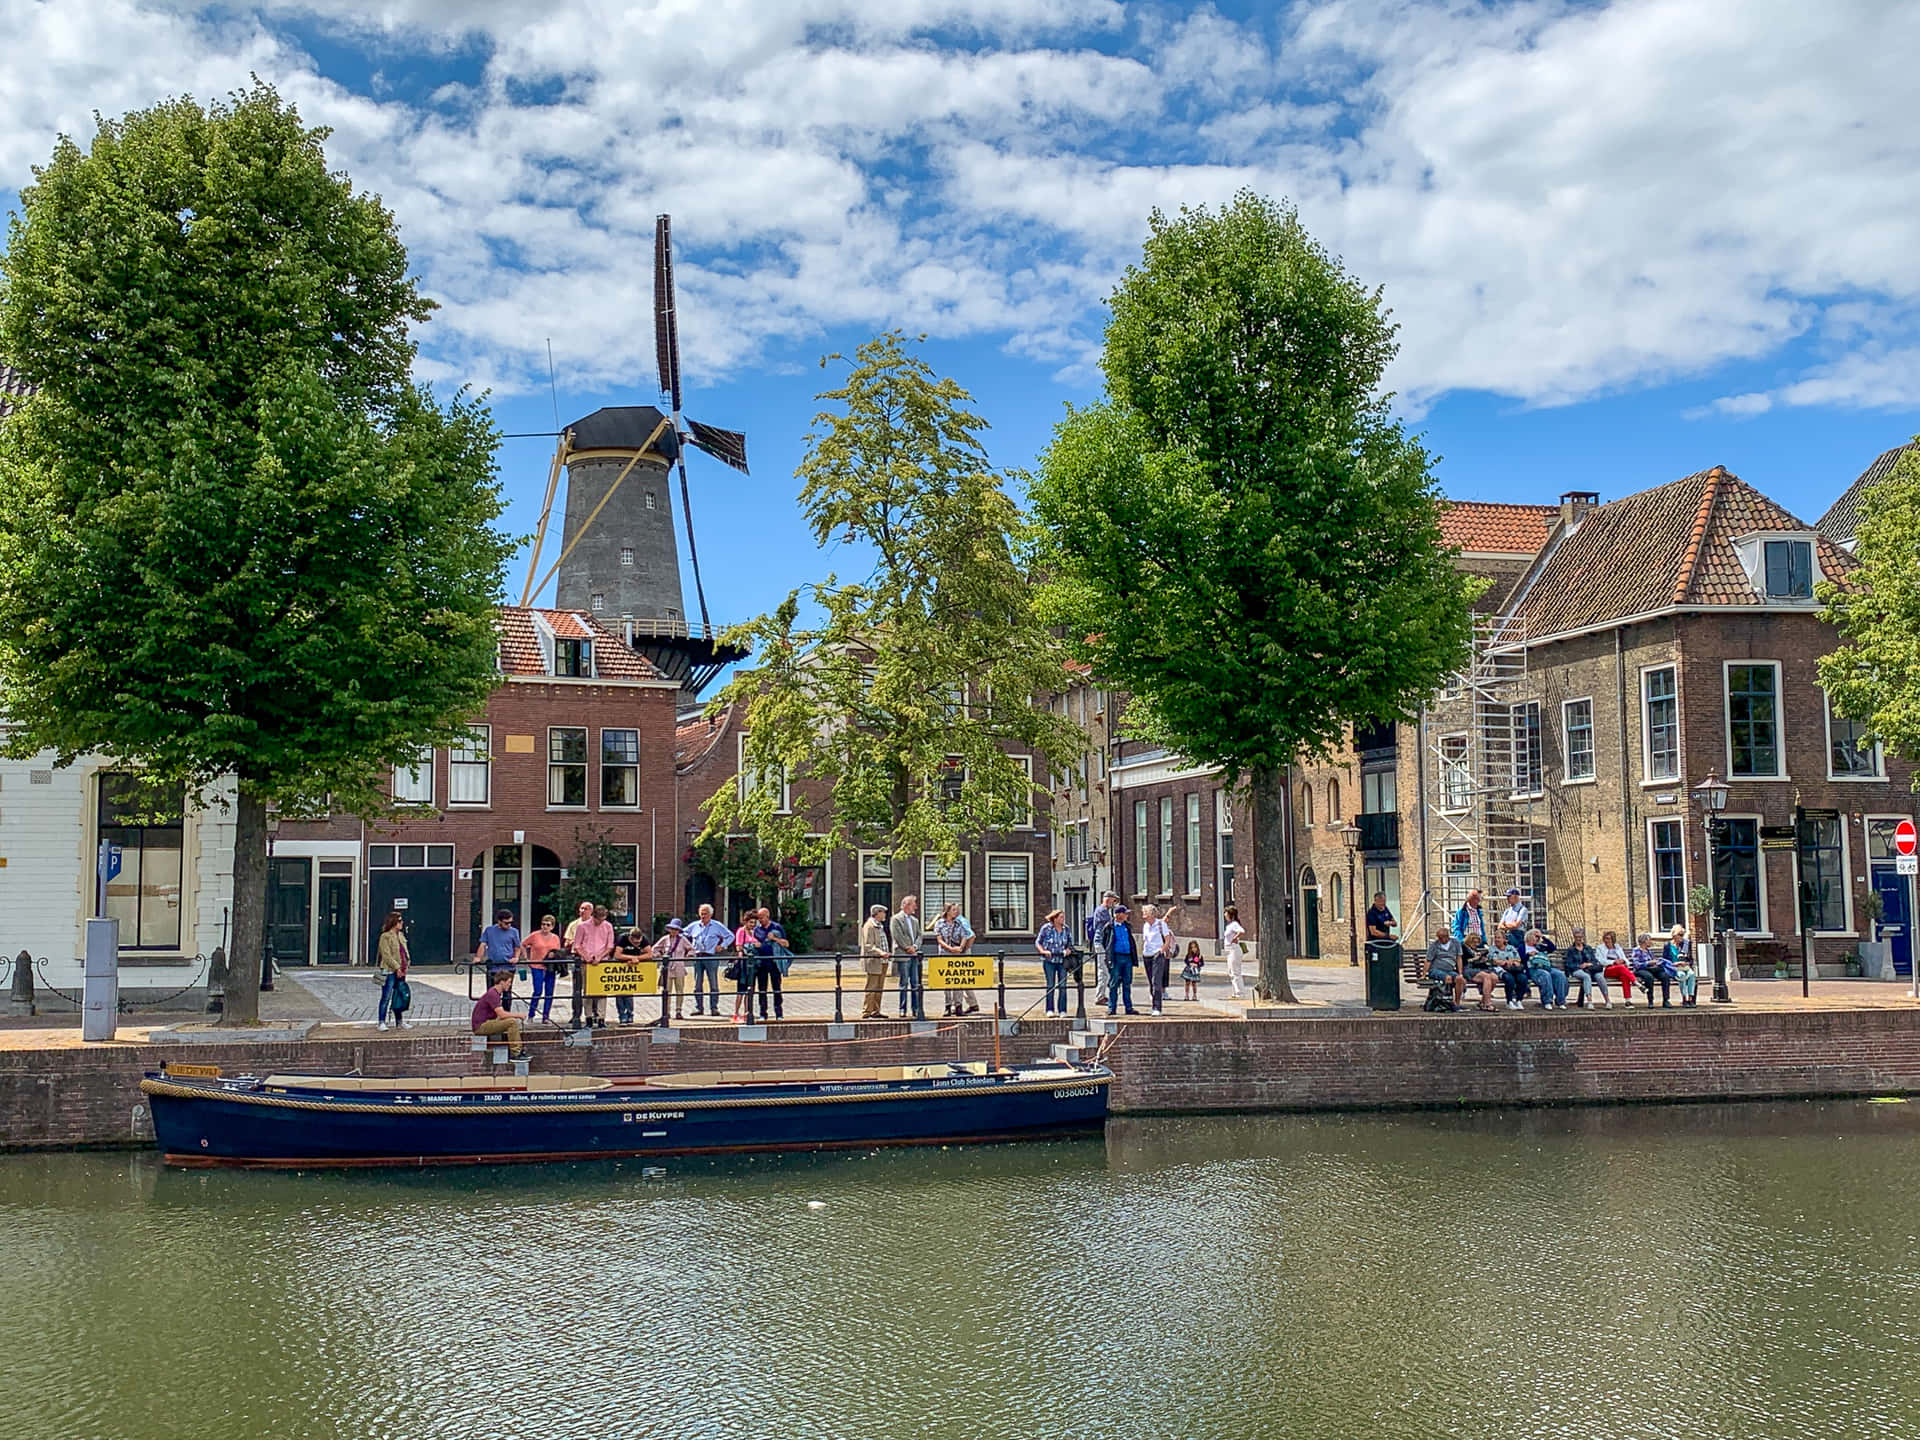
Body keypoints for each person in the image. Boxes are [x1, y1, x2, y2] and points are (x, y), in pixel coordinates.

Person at [572, 903, 617, 1027]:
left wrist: (600, 957)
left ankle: (602, 1017)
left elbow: (610, 945)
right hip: (587, 961)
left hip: (602, 961)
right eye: (598, 919)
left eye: (602, 919)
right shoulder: (582, 926)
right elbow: (577, 945)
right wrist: (586, 956)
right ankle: (589, 1017)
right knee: (588, 990)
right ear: (594, 916)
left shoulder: (608, 926)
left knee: (602, 990)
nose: (600, 922)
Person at [684, 903, 732, 1018]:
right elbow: (682, 933)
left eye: (705, 914)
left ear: (711, 915)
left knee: (713, 983)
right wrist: (687, 947)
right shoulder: (694, 925)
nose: (703, 916)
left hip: (711, 956)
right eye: (701, 914)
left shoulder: (717, 925)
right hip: (698, 956)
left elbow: (730, 936)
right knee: (697, 983)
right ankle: (698, 1007)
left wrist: (722, 946)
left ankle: (714, 1008)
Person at [471, 970, 527, 1060]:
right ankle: (516, 1052)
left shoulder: (494, 993)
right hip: (481, 1026)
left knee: (510, 1022)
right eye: (509, 982)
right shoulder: (493, 994)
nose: (510, 985)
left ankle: (517, 1050)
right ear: (502, 982)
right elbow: (502, 1014)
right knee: (511, 1022)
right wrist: (518, 1015)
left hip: (486, 1023)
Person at [935, 904, 979, 1016]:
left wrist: (961, 948)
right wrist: (949, 948)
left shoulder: (960, 922)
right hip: (945, 954)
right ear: (947, 911)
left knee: (958, 981)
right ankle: (948, 1006)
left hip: (958, 954)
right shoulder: (940, 923)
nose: (956, 912)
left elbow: (966, 935)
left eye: (957, 910)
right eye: (954, 910)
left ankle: (958, 1006)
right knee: (947, 981)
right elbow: (939, 939)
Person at [520, 914, 563, 1023]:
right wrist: (527, 958)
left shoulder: (555, 938)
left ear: (552, 926)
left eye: (548, 925)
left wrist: (554, 955)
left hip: (550, 967)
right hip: (537, 966)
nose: (545, 927)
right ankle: (531, 1015)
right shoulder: (535, 935)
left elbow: (557, 951)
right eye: (543, 924)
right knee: (537, 991)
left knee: (549, 992)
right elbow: (523, 944)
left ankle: (546, 1016)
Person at [891, 894, 925, 1020]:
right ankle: (902, 1009)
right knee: (904, 982)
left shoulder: (915, 921)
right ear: (906, 905)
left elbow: (919, 936)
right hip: (903, 955)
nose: (915, 906)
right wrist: (907, 948)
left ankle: (916, 1009)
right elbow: (898, 936)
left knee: (915, 983)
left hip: (914, 955)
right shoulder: (896, 919)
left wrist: (915, 947)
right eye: (913, 904)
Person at [752, 906, 790, 1021]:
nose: (760, 920)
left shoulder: (777, 927)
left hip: (774, 962)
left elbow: (786, 944)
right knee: (762, 988)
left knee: (776, 987)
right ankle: (763, 1013)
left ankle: (779, 1013)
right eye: (758, 918)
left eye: (762, 918)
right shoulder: (756, 929)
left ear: (767, 917)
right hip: (761, 962)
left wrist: (775, 939)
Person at [611, 925, 654, 1025]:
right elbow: (617, 955)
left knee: (629, 992)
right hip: (620, 967)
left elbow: (649, 954)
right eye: (634, 942)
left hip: (632, 967)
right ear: (630, 938)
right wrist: (630, 958)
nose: (637, 944)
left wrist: (637, 958)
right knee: (619, 992)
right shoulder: (623, 938)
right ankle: (622, 1015)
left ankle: (630, 1015)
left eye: (639, 942)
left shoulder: (644, 939)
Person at [375, 910, 410, 1030]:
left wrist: (406, 965)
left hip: (401, 971)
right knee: (386, 996)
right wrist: (397, 968)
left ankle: (399, 1021)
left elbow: (404, 952)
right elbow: (386, 955)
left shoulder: (400, 936)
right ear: (394, 922)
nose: (402, 923)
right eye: (399, 921)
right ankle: (381, 1022)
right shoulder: (385, 937)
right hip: (389, 971)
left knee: (398, 996)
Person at [1036, 909, 1072, 1018]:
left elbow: (1070, 943)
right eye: (1061, 917)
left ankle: (1062, 1010)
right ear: (1055, 918)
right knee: (1050, 985)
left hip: (1062, 961)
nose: (1063, 919)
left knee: (1063, 985)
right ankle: (1049, 1009)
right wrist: (1043, 951)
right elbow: (1038, 942)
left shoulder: (1066, 929)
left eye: (1063, 917)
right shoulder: (1046, 929)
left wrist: (1068, 950)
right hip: (1049, 961)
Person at [656, 918, 693, 1022]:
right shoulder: (664, 939)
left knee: (679, 990)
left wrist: (687, 956)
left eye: (676, 929)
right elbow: (655, 949)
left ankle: (678, 1011)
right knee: (666, 991)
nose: (674, 931)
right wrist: (661, 955)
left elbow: (691, 949)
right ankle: (666, 1012)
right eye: (672, 929)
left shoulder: (683, 940)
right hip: (668, 968)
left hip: (679, 968)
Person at [859, 904, 892, 1020]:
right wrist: (880, 952)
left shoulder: (880, 926)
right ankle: (866, 1011)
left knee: (879, 987)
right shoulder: (870, 926)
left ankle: (876, 1010)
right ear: (877, 913)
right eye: (883, 912)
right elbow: (868, 945)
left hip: (883, 961)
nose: (885, 915)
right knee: (871, 986)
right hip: (874, 961)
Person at [1140, 903, 1173, 1016]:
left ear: (1151, 914)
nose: (1143, 915)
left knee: (1156, 981)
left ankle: (1157, 1007)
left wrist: (1161, 950)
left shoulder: (1161, 924)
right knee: (1150, 981)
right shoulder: (1145, 925)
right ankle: (1153, 1003)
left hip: (1157, 954)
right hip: (1147, 955)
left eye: (1145, 912)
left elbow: (1167, 939)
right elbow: (1145, 940)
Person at [1106, 903, 1139, 1017]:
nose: (1126, 916)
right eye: (1125, 913)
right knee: (1114, 983)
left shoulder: (1127, 926)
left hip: (1127, 957)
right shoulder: (1109, 927)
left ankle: (1128, 1007)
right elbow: (1104, 941)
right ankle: (1112, 1007)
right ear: (1118, 914)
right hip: (1116, 957)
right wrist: (1108, 956)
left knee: (1127, 983)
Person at [1563, 927, 1609, 1008]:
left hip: (1590, 969)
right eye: (1577, 937)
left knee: (1600, 977)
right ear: (1574, 938)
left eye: (1580, 937)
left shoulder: (1588, 948)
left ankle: (1607, 1000)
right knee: (1586, 977)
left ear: (1583, 937)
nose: (1579, 939)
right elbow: (1569, 964)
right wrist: (1580, 966)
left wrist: (1588, 964)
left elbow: (1594, 961)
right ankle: (1590, 1001)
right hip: (1577, 970)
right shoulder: (1571, 950)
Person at [1424, 926, 1465, 1009]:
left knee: (1460, 979)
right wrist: (1424, 974)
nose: (1439, 939)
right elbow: (1428, 960)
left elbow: (1459, 958)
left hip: (1449, 970)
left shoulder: (1455, 943)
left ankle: (1457, 1003)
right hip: (1436, 970)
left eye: (1441, 937)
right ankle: (1447, 1002)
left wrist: (1460, 973)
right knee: (1448, 978)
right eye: (1438, 937)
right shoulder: (1434, 945)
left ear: (1447, 937)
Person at [1526, 928, 1568, 1009]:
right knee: (1545, 975)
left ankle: (1561, 1001)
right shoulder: (1523, 947)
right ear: (1529, 937)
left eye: (1538, 937)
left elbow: (1552, 948)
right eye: (1536, 936)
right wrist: (1528, 955)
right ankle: (1547, 1001)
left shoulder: (1540, 947)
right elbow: (1521, 959)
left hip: (1546, 967)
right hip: (1533, 969)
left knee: (1560, 975)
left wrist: (1543, 937)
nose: (1537, 939)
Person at [1090, 891, 1118, 1007]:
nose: (1114, 903)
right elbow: (1110, 924)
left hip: (1103, 943)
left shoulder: (1104, 910)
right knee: (1103, 970)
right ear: (1108, 899)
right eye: (1113, 900)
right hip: (1101, 943)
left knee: (1104, 969)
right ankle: (1100, 996)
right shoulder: (1102, 911)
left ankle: (1101, 994)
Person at [1489, 925, 1528, 1009]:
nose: (1496, 940)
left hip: (1514, 969)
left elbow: (1518, 959)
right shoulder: (1492, 948)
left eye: (1499, 938)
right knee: (1509, 979)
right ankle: (1509, 1001)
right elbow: (1494, 960)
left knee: (1523, 978)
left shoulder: (1511, 948)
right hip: (1501, 970)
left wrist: (1513, 962)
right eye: (1495, 937)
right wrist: (1506, 962)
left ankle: (1519, 1000)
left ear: (1504, 939)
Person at [1460, 933, 1501, 1011]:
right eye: (1474, 942)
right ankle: (1488, 1003)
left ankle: (1483, 1001)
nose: (1476, 944)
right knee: (1487, 977)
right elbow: (1464, 961)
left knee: (1494, 977)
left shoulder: (1475, 949)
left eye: (1477, 942)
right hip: (1468, 969)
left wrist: (1482, 959)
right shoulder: (1464, 948)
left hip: (1478, 968)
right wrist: (1475, 958)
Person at [1631, 932, 1674, 1008]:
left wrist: (1656, 963)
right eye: (1649, 940)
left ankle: (1666, 1000)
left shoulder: (1649, 951)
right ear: (1644, 941)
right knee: (1649, 977)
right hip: (1641, 970)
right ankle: (1650, 1001)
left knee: (1665, 976)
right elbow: (1636, 965)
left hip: (1652, 968)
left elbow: (1653, 960)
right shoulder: (1637, 950)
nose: (1651, 942)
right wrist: (1648, 963)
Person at [475, 907, 521, 974]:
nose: (509, 925)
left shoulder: (514, 931)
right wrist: (478, 957)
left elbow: (517, 947)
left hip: (508, 966)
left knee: (506, 984)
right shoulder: (489, 930)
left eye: (510, 922)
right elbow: (483, 945)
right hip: (493, 967)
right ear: (499, 921)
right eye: (506, 923)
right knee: (492, 984)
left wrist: (516, 957)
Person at [1598, 930, 1637, 1005]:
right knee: (1621, 968)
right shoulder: (1600, 948)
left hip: (1619, 968)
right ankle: (1636, 982)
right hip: (1607, 969)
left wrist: (1623, 961)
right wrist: (1613, 962)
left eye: (1609, 938)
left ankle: (1628, 1001)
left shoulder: (1618, 947)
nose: (1606, 941)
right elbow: (1601, 961)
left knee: (1624, 977)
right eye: (1605, 938)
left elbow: (1625, 958)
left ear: (1613, 939)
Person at [1666, 925, 1699, 1005]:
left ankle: (1690, 999)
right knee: (1681, 976)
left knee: (1691, 975)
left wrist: (1687, 963)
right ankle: (1684, 998)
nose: (1682, 937)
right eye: (1680, 935)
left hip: (1685, 967)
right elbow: (1665, 961)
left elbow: (1691, 959)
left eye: (1683, 935)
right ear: (1674, 935)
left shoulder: (1686, 944)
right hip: (1674, 968)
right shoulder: (1668, 945)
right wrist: (1675, 964)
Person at [1222, 905, 1247, 999]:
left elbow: (1241, 931)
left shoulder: (1234, 924)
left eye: (1226, 913)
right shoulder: (1229, 925)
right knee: (1231, 971)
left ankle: (1240, 993)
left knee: (1235, 971)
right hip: (1229, 950)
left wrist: (1235, 938)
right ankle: (1236, 991)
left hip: (1233, 949)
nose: (1225, 915)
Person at [1500, 889, 1530, 962]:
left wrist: (1506, 925)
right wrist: (1511, 925)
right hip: (1508, 935)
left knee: (1518, 958)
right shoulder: (1507, 911)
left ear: (1516, 897)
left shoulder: (1522, 909)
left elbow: (1516, 925)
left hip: (1518, 936)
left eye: (1509, 896)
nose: (1507, 899)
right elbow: (1500, 926)